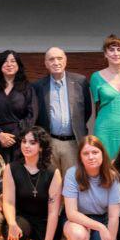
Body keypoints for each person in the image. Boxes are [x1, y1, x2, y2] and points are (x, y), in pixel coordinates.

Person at [1, 126, 63, 240]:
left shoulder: (53, 172)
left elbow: (53, 212)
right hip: (22, 219)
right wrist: (12, 223)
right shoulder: (11, 168)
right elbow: (8, 201)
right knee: (12, 231)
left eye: (32, 142)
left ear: (41, 147)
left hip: (44, 221)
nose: (26, 146)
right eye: (24, 141)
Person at [62, 136, 120, 240]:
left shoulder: (112, 176)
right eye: (86, 153)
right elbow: (71, 213)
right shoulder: (72, 174)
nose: (91, 157)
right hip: (78, 219)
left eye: (95, 152)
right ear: (80, 157)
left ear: (102, 154)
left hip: (101, 218)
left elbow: (113, 217)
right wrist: (101, 228)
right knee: (79, 234)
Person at [33, 47, 92, 177]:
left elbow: (86, 111)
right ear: (46, 64)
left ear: (65, 60)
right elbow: (36, 115)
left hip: (73, 142)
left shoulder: (80, 81)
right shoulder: (38, 86)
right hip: (50, 142)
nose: (56, 62)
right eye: (51, 59)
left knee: (73, 181)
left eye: (59, 58)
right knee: (51, 182)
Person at [0, 50, 37, 163]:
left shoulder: (27, 88)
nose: (9, 64)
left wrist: (14, 136)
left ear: (18, 65)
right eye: (5, 61)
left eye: (13, 61)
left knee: (17, 176)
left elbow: (32, 115)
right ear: (0, 65)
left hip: (19, 139)